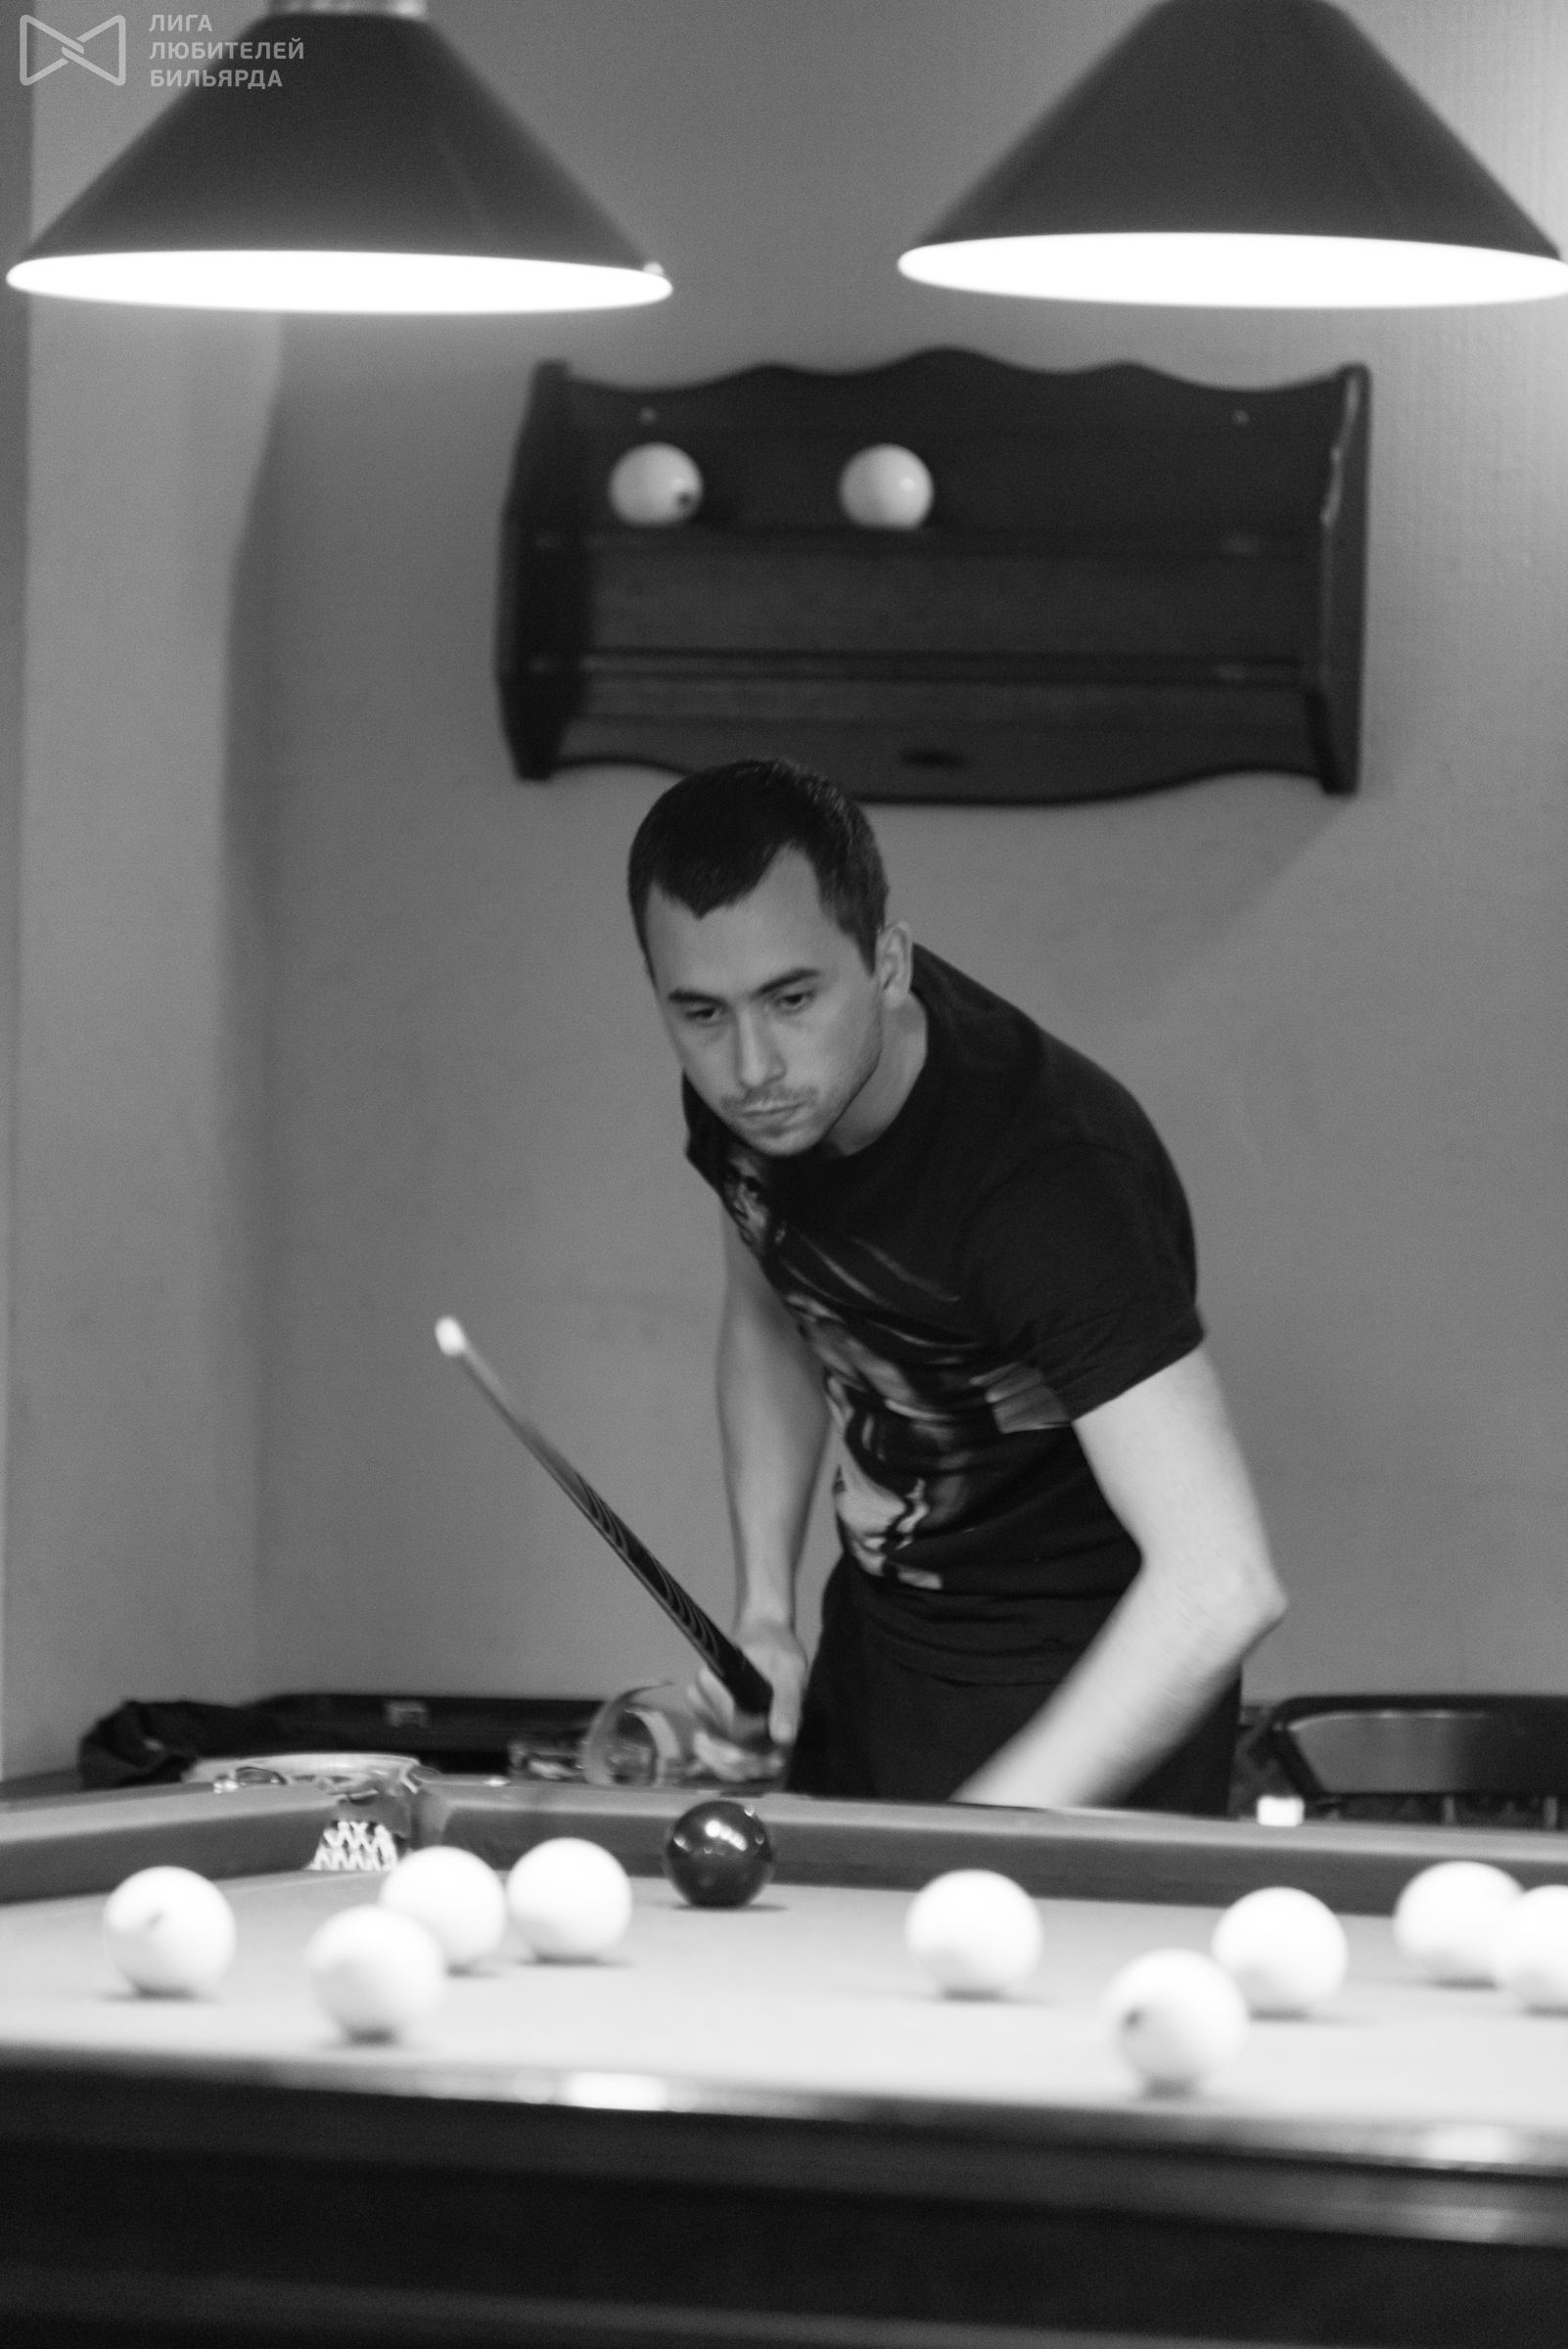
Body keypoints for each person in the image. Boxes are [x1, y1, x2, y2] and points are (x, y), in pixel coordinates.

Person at [626, 759, 1285, 1811]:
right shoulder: (758, 1097)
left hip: (1089, 1689)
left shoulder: (1048, 1184)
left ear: (886, 964)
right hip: (877, 1649)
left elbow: (1222, 1585)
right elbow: (776, 1313)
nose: (750, 1065)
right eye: (702, 1013)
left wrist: (976, 1838)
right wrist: (765, 1614)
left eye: (793, 999)